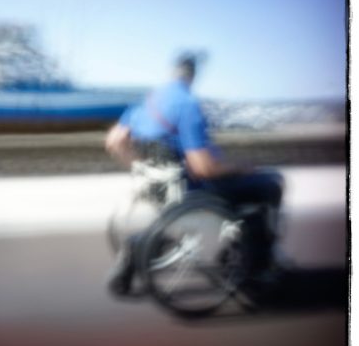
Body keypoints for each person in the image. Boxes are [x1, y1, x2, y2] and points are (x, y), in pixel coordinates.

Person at [105, 53, 285, 297]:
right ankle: (254, 269)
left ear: (172, 72)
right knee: (269, 185)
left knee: (248, 186)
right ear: (193, 75)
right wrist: (240, 167)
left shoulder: (148, 100)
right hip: (190, 189)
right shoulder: (187, 104)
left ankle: (136, 247)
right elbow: (202, 168)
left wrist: (141, 166)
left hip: (156, 186)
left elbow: (115, 140)